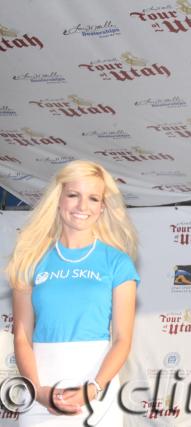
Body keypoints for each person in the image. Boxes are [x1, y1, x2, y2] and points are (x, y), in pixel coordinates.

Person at [6, 160, 139, 426]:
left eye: (93, 198)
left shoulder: (118, 263)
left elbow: (122, 339)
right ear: (58, 199)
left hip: (97, 393)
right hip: (40, 392)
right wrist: (38, 391)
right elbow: (22, 337)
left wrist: (93, 389)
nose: (82, 206)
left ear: (102, 206)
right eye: (73, 195)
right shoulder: (30, 259)